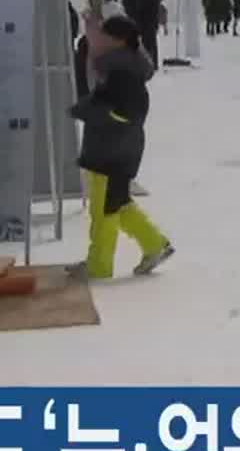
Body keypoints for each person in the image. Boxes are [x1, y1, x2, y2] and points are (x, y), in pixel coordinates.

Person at [72, 15, 175, 279]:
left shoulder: (123, 73)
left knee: (104, 209)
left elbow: (127, 113)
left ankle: (99, 265)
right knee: (118, 203)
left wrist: (90, 111)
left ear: (118, 41)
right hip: (111, 148)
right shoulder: (117, 68)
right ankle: (154, 244)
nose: (98, 39)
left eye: (104, 35)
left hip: (113, 151)